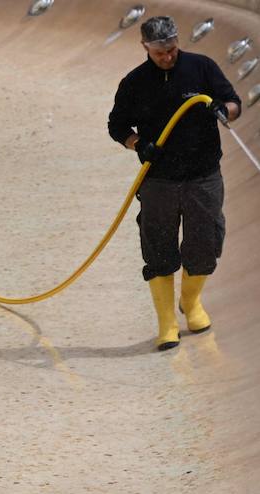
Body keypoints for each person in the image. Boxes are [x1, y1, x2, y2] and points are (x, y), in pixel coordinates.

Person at [108, 15, 242, 351]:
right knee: (159, 248)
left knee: (206, 243)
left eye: (170, 49)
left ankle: (191, 302)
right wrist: (137, 144)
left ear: (177, 41)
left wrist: (221, 110)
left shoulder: (202, 68)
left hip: (203, 175)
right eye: (159, 53)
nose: (167, 56)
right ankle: (167, 323)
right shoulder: (134, 83)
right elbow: (116, 125)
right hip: (159, 179)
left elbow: (234, 103)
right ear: (145, 48)